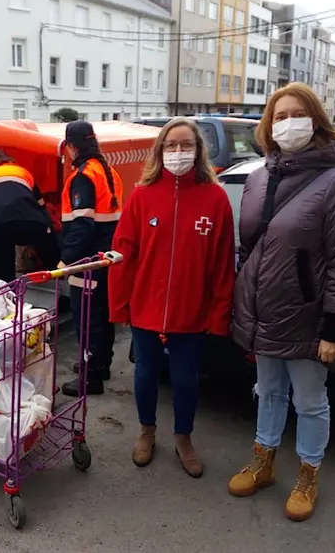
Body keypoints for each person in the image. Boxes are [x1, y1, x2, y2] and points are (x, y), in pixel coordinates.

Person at [228, 82, 335, 521]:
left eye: (297, 114)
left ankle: (308, 474)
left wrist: (334, 328)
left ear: (317, 121)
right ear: (268, 127)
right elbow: (250, 250)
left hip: (308, 317)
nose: (288, 123)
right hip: (264, 313)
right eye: (279, 116)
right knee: (268, 391)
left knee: (310, 401)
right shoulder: (257, 178)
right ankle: (263, 462)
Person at [108, 118, 235, 477]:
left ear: (198, 151)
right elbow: (121, 255)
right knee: (146, 374)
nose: (178, 152)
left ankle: (183, 436)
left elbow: (224, 263)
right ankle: (146, 430)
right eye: (171, 145)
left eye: (185, 145)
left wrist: (219, 313)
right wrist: (119, 305)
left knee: (185, 379)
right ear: (160, 150)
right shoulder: (142, 196)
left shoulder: (216, 198)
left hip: (192, 312)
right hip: (146, 308)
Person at [59, 121, 123, 398]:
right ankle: (100, 365)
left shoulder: (83, 176)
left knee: (86, 320)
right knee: (101, 315)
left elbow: (82, 224)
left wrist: (65, 261)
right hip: (105, 257)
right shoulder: (108, 171)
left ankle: (91, 377)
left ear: (71, 147)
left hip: (86, 260)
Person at [0, 149, 60, 282]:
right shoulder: (21, 172)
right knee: (49, 246)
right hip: (28, 221)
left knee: (1, 278)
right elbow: (41, 205)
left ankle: (6, 297)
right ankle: (57, 275)